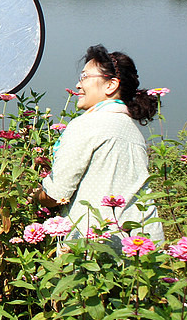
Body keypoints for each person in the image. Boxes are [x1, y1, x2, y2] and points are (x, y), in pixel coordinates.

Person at [33, 44, 165, 247]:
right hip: (143, 244)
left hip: (98, 246)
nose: (78, 85)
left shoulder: (87, 124)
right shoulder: (132, 129)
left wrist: (36, 196)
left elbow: (57, 194)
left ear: (110, 85)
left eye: (85, 77)